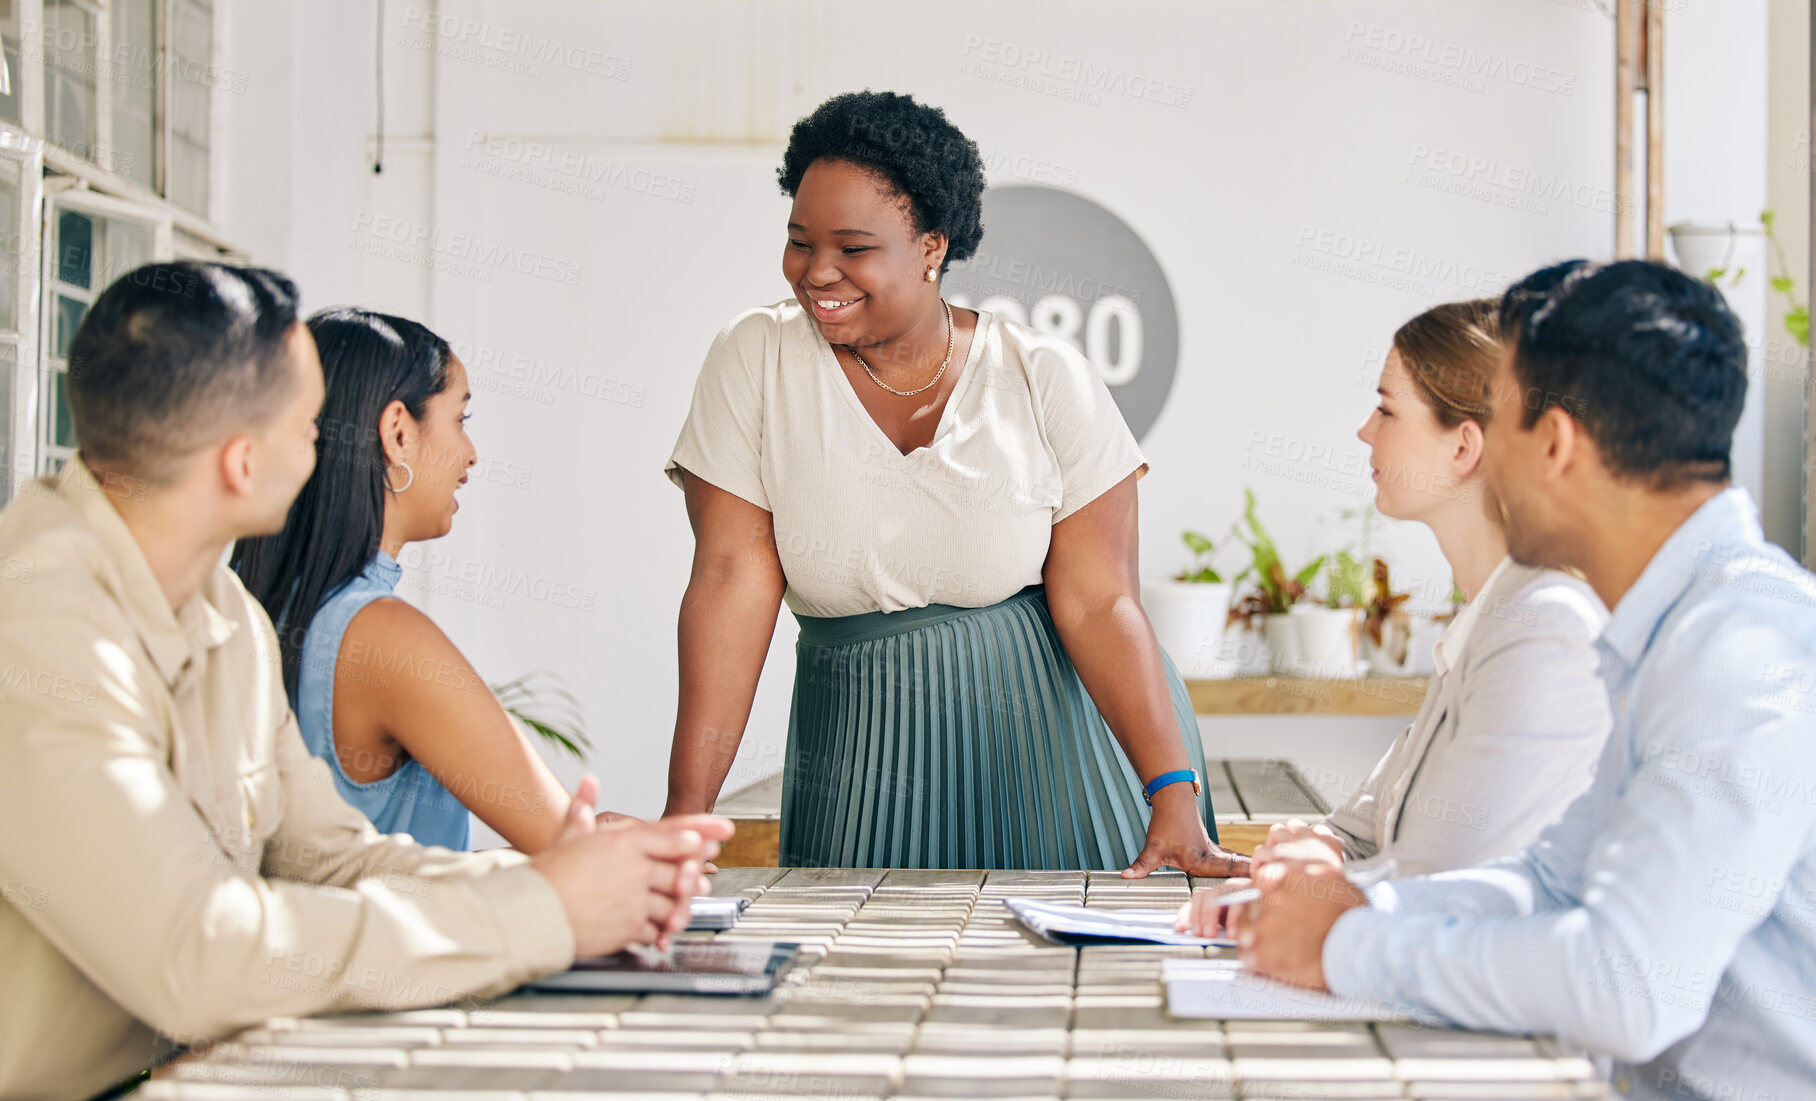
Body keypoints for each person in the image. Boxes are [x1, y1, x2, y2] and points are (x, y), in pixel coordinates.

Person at [0, 262, 730, 1098]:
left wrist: (568, 883)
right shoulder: (39, 628)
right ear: (242, 462)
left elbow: (324, 857)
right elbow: (195, 952)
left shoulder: (225, 611)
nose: (323, 445)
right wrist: (541, 914)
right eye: (309, 423)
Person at [1223, 260, 1816, 1100]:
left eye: (1496, 422)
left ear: (1555, 444)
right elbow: (1551, 880)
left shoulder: (1739, 651)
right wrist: (1353, 915)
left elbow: (1630, 984)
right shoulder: (1674, 630)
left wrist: (1345, 949)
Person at [661, 90, 1244, 875]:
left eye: (853, 247)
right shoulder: (755, 359)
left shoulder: (1045, 376)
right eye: (800, 241)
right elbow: (731, 579)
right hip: (860, 768)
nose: (818, 271)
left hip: (1062, 767)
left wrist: (1171, 791)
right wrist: (686, 815)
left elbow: (1102, 600)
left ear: (932, 246)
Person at [1177, 301, 1611, 936]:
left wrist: (1318, 880)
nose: (1363, 431)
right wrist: (1316, 856)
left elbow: (1439, 886)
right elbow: (1362, 833)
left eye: (1386, 408)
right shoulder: (1486, 623)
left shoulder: (1544, 629)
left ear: (1464, 445)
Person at [233, 307, 623, 851]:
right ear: (397, 433)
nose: (472, 453)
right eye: (460, 420)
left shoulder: (246, 604)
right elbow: (571, 846)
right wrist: (624, 842)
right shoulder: (380, 636)